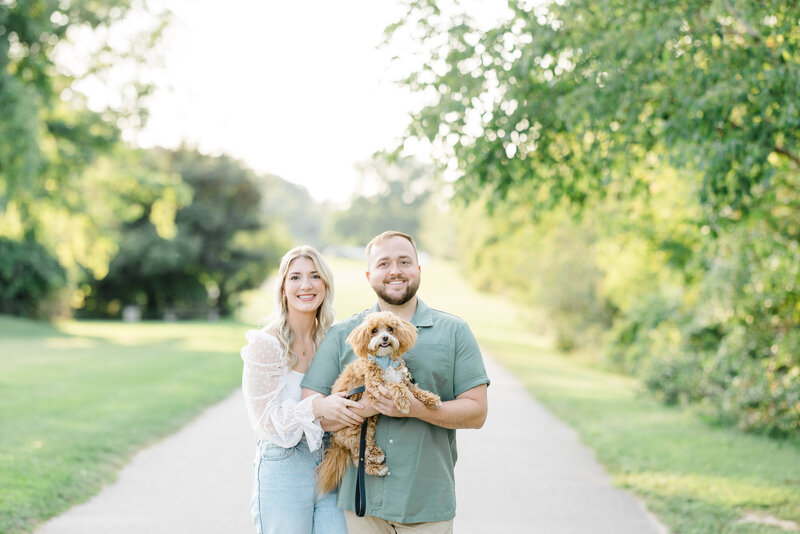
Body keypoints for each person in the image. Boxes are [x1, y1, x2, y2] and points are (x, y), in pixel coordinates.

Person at [301, 231, 490, 534]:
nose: (395, 271)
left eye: (404, 261)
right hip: (360, 506)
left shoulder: (454, 331)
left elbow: (477, 412)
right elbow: (309, 412)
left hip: (426, 504)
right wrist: (364, 408)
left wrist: (414, 408)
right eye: (384, 263)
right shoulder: (344, 335)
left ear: (418, 269)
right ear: (369, 274)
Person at [241, 245, 364, 534]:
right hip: (283, 465)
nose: (306, 285)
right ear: (283, 287)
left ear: (325, 285)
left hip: (331, 461)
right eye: (295, 277)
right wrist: (317, 407)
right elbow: (267, 422)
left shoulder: (334, 340)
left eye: (314, 276)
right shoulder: (265, 344)